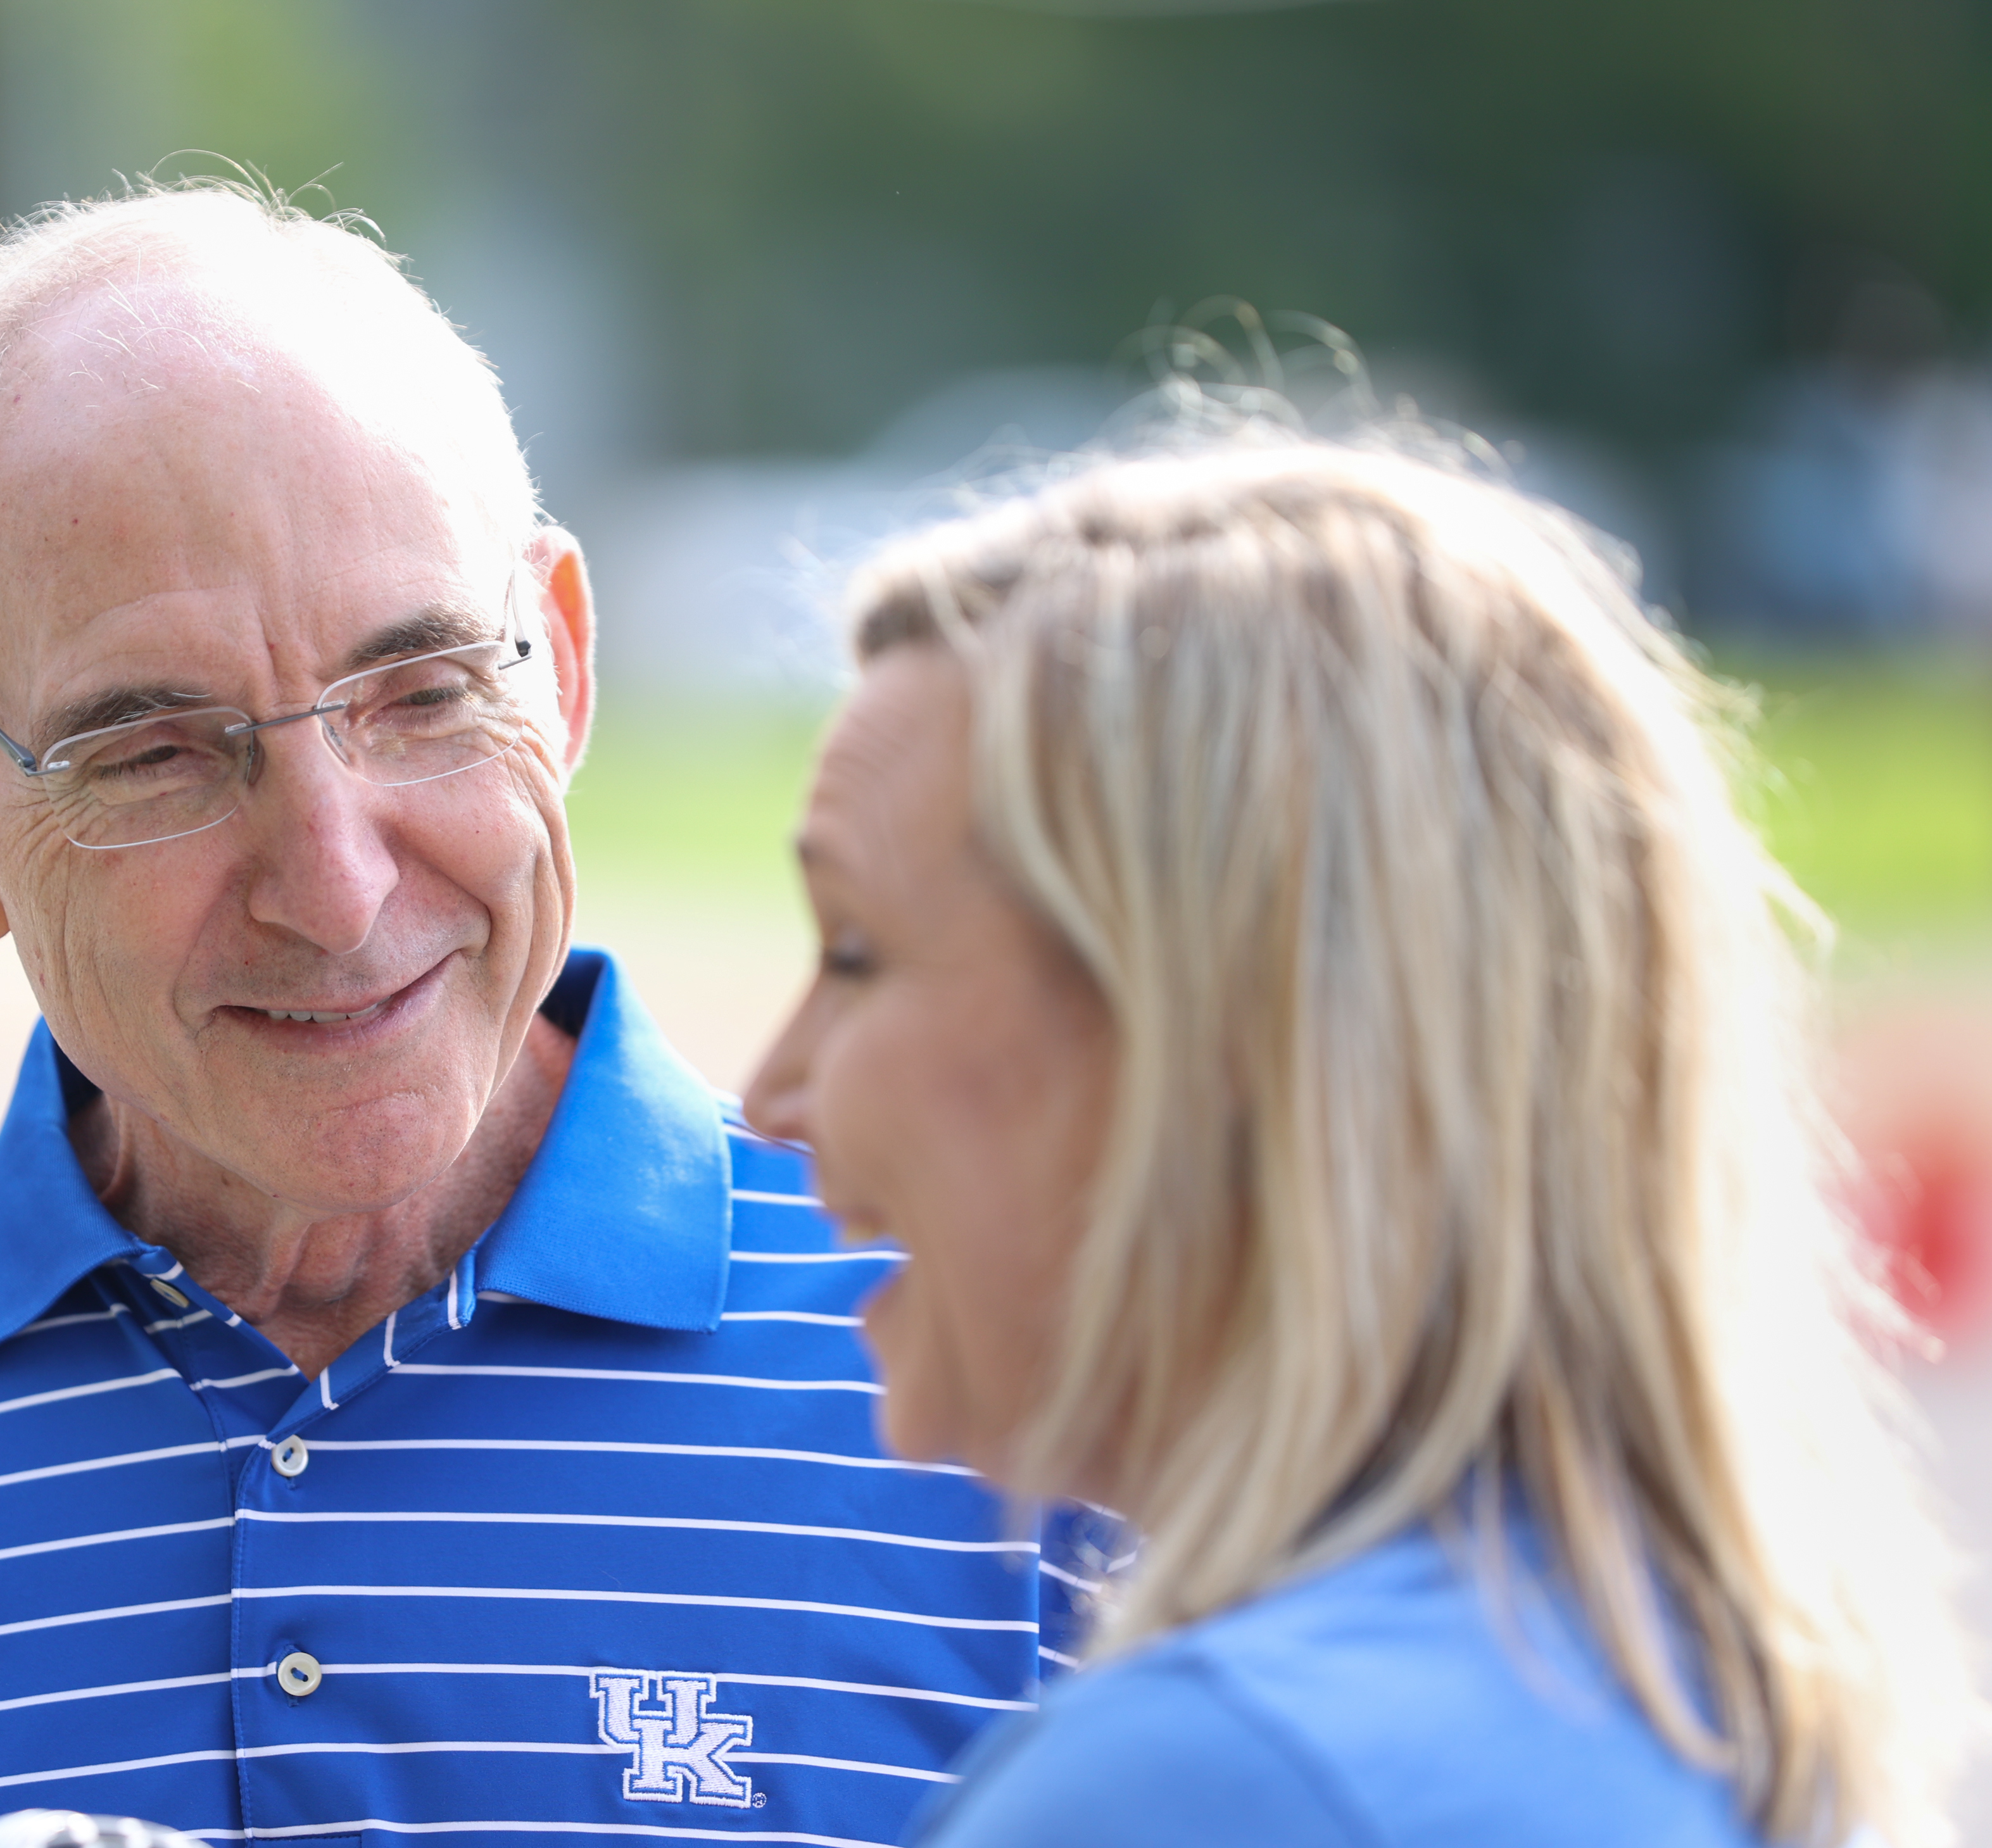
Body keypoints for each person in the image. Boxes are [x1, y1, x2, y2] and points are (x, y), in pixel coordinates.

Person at [0, 182, 1113, 1848]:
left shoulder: (1069, 1423)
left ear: (555, 669)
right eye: (155, 752)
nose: (333, 890)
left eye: (423, 693)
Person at [745, 422, 1974, 1846]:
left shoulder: (1210, 1777)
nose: (774, 1089)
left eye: (853, 949)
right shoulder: (1697, 1683)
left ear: (1203, 1034)